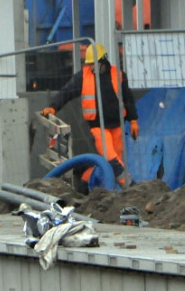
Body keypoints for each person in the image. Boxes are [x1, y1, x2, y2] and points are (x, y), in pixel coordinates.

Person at [42, 43, 138, 187]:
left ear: (103, 60)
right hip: (98, 127)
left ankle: (113, 191)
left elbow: (128, 99)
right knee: (110, 158)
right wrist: (53, 107)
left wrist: (133, 120)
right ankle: (130, 186)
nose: (91, 67)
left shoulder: (117, 75)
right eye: (90, 64)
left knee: (117, 161)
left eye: (94, 63)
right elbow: (67, 92)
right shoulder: (83, 76)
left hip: (117, 125)